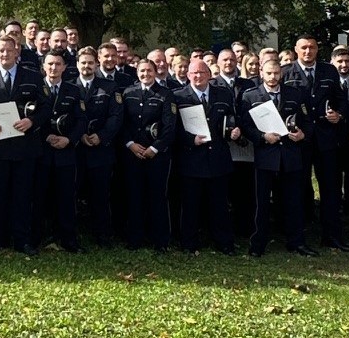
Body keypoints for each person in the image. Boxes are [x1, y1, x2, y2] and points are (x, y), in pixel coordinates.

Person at [0, 35, 49, 255]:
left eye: (9, 50)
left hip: (25, 146)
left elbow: (46, 107)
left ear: (17, 52)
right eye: (1, 51)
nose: (5, 54)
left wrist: (32, 121)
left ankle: (22, 240)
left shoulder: (34, 76)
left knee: (22, 195)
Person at [239, 59, 317, 257]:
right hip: (265, 155)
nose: (273, 77)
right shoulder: (250, 95)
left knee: (293, 202)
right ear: (261, 73)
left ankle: (296, 242)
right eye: (269, 73)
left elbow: (308, 121)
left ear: (281, 74)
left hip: (290, 155)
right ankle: (258, 244)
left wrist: (303, 135)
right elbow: (245, 126)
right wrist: (262, 137)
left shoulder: (296, 94)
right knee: (262, 203)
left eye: (276, 73)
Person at [281, 35, 349, 251]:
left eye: (312, 47)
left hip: (325, 138)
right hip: (299, 139)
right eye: (303, 48)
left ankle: (332, 237)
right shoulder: (286, 72)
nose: (308, 51)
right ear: (296, 49)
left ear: (317, 49)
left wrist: (338, 114)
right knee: (297, 191)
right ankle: (297, 239)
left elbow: (342, 100)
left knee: (330, 190)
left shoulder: (328, 71)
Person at [172, 59, 239, 255]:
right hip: (191, 158)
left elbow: (232, 117)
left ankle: (224, 242)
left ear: (209, 74)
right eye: (194, 73)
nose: (198, 76)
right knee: (190, 204)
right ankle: (189, 243)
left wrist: (234, 131)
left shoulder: (223, 94)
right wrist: (190, 140)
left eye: (202, 72)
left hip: (218, 158)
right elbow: (172, 128)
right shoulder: (178, 96)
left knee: (219, 204)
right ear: (187, 75)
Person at [120, 58, 176, 252]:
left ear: (155, 71)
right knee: (134, 196)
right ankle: (134, 239)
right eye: (142, 71)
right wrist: (130, 144)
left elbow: (170, 127)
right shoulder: (128, 93)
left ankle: (160, 240)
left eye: (149, 71)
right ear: (137, 72)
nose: (146, 74)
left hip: (157, 156)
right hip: (132, 153)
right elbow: (123, 123)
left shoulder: (166, 95)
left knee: (157, 197)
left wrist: (155, 148)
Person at [71, 47, 123, 248]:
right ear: (77, 65)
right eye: (83, 62)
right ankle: (72, 235)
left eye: (90, 62)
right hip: (76, 149)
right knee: (72, 194)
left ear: (96, 64)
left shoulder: (109, 87)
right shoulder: (70, 87)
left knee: (100, 195)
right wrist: (80, 135)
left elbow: (115, 116)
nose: (86, 66)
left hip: (101, 150)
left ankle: (103, 236)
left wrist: (101, 136)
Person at [35, 49, 86, 252]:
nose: (53, 68)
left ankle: (68, 240)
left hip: (65, 153)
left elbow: (81, 121)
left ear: (65, 67)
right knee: (39, 198)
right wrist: (45, 136)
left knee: (66, 198)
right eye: (50, 64)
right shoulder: (36, 89)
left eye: (58, 64)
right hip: (41, 152)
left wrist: (69, 139)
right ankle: (37, 238)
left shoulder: (73, 90)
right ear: (43, 67)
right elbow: (30, 117)